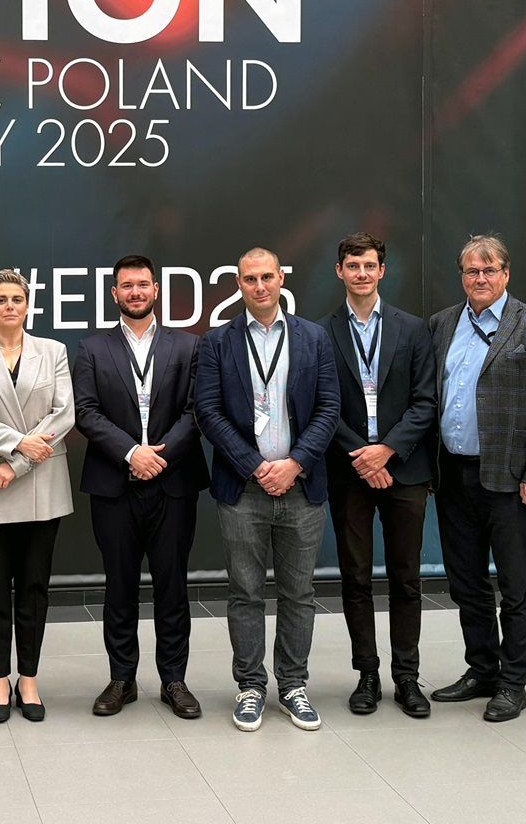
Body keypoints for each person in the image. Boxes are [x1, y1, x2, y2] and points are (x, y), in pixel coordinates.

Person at [194, 247, 339, 733]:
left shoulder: (313, 338)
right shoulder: (217, 342)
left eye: (267, 277)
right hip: (244, 488)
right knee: (246, 592)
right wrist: (257, 466)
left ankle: (294, 685)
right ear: (239, 283)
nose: (260, 286)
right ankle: (251, 687)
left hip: (300, 486)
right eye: (250, 279)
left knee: (299, 593)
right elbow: (208, 413)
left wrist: (294, 464)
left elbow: (328, 409)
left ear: (281, 280)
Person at [427, 233, 526, 723]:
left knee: (515, 585)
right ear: (461, 276)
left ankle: (512, 682)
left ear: (506, 274)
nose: (479, 279)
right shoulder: (443, 324)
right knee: (465, 583)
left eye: (489, 270)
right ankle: (481, 670)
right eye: (470, 271)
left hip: (510, 479)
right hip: (453, 475)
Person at [72, 255, 208, 720]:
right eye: (126, 286)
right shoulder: (91, 348)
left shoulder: (188, 347)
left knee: (173, 587)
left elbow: (196, 411)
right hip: (115, 484)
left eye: (143, 285)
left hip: (173, 485)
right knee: (119, 586)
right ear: (114, 293)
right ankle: (121, 679)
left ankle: (174, 679)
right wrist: (133, 453)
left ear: (156, 290)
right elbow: (86, 412)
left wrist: (159, 458)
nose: (135, 292)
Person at [0, 269, 76, 724]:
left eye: (17, 299)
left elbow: (64, 416)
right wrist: (15, 443)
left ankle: (29, 679)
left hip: (36, 482)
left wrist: (18, 462)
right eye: (1, 299)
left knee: (35, 588)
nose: (9, 306)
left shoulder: (54, 352)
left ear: (28, 305)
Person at [323, 232, 438, 718]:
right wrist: (363, 455)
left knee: (406, 578)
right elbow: (322, 407)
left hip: (405, 471)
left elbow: (425, 401)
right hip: (350, 472)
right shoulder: (321, 332)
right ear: (340, 271)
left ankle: (407, 677)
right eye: (353, 265)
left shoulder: (413, 330)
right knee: (354, 577)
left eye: (369, 265)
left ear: (382, 271)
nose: (362, 273)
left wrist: (386, 451)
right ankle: (367, 674)